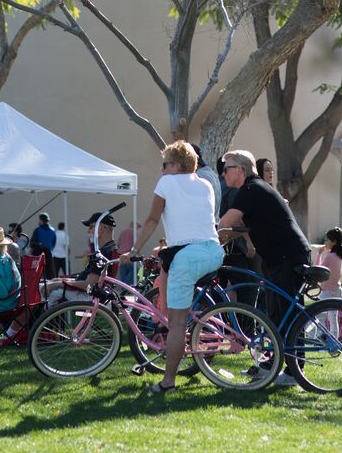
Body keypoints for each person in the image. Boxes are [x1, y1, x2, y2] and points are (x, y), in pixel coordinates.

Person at [122, 140, 224, 394]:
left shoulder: (167, 182)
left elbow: (153, 219)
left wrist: (135, 250)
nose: (162, 170)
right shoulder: (206, 184)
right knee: (183, 303)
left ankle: (168, 382)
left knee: (176, 324)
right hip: (213, 251)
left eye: (165, 164)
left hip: (188, 256)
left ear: (177, 165)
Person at [218, 149, 311, 388]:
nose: (223, 172)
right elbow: (240, 228)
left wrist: (209, 240)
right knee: (276, 315)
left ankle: (294, 371)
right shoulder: (252, 190)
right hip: (278, 257)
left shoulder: (251, 189)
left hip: (287, 256)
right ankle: (273, 365)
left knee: (288, 313)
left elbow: (225, 223)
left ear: (240, 170)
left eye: (226, 168)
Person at [43, 212, 120, 308]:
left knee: (45, 289)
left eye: (91, 227)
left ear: (101, 228)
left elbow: (89, 285)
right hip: (93, 294)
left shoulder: (103, 253)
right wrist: (61, 280)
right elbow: (86, 279)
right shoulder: (110, 249)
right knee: (49, 283)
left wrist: (58, 284)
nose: (88, 231)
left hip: (90, 296)